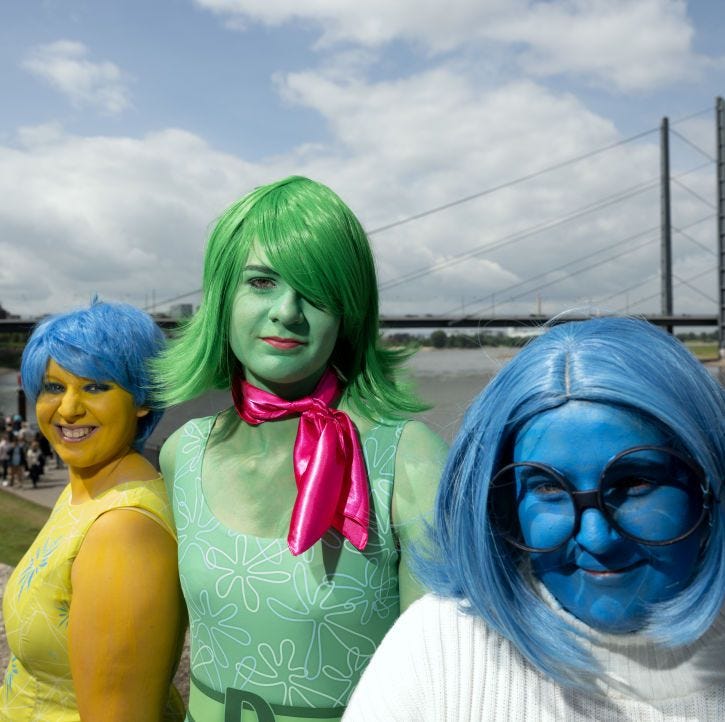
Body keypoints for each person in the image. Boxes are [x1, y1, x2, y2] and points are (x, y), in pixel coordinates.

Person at [154, 176, 447, 721]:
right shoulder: (182, 453)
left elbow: (439, 688)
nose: (287, 311)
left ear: (349, 313)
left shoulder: (410, 458)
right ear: (222, 297)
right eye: (261, 282)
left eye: (315, 290)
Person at [345, 317, 725, 721]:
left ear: (709, 480)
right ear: (503, 503)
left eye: (634, 482)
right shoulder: (437, 651)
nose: (597, 539)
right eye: (548, 488)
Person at [1, 300, 186, 722]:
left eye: (95, 387)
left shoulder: (124, 532)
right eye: (53, 387)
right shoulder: (84, 491)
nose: (67, 409)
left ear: (142, 399)